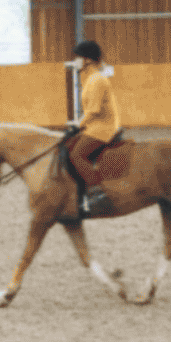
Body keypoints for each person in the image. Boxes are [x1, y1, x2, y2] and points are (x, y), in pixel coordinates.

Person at [66, 39, 119, 217]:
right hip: (94, 125)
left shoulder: (97, 80)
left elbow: (94, 110)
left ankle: (98, 192)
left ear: (87, 60)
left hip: (103, 127)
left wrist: (77, 124)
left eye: (77, 58)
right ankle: (78, 193)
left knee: (77, 154)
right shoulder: (90, 79)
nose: (75, 61)